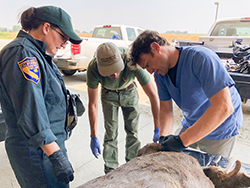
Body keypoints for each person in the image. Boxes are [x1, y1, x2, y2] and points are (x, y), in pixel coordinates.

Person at [0, 6, 82, 188]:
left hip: (47, 148)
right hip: (37, 152)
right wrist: (56, 155)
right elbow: (31, 110)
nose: (65, 44)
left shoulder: (39, 55)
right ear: (46, 28)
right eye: (63, 37)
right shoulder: (23, 54)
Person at [130, 30, 243, 158]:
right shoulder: (160, 75)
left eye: (148, 64)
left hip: (220, 127)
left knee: (211, 174)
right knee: (171, 160)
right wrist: (164, 139)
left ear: (156, 48)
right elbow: (166, 111)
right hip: (191, 122)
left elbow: (224, 107)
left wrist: (181, 141)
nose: (150, 72)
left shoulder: (201, 58)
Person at [87, 42, 160, 174]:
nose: (115, 75)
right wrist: (93, 136)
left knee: (132, 131)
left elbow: (153, 95)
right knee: (110, 133)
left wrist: (157, 127)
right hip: (108, 94)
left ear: (121, 57)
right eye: (109, 71)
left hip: (129, 92)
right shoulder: (93, 68)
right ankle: (111, 170)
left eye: (116, 69)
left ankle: (132, 166)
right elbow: (93, 104)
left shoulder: (131, 60)